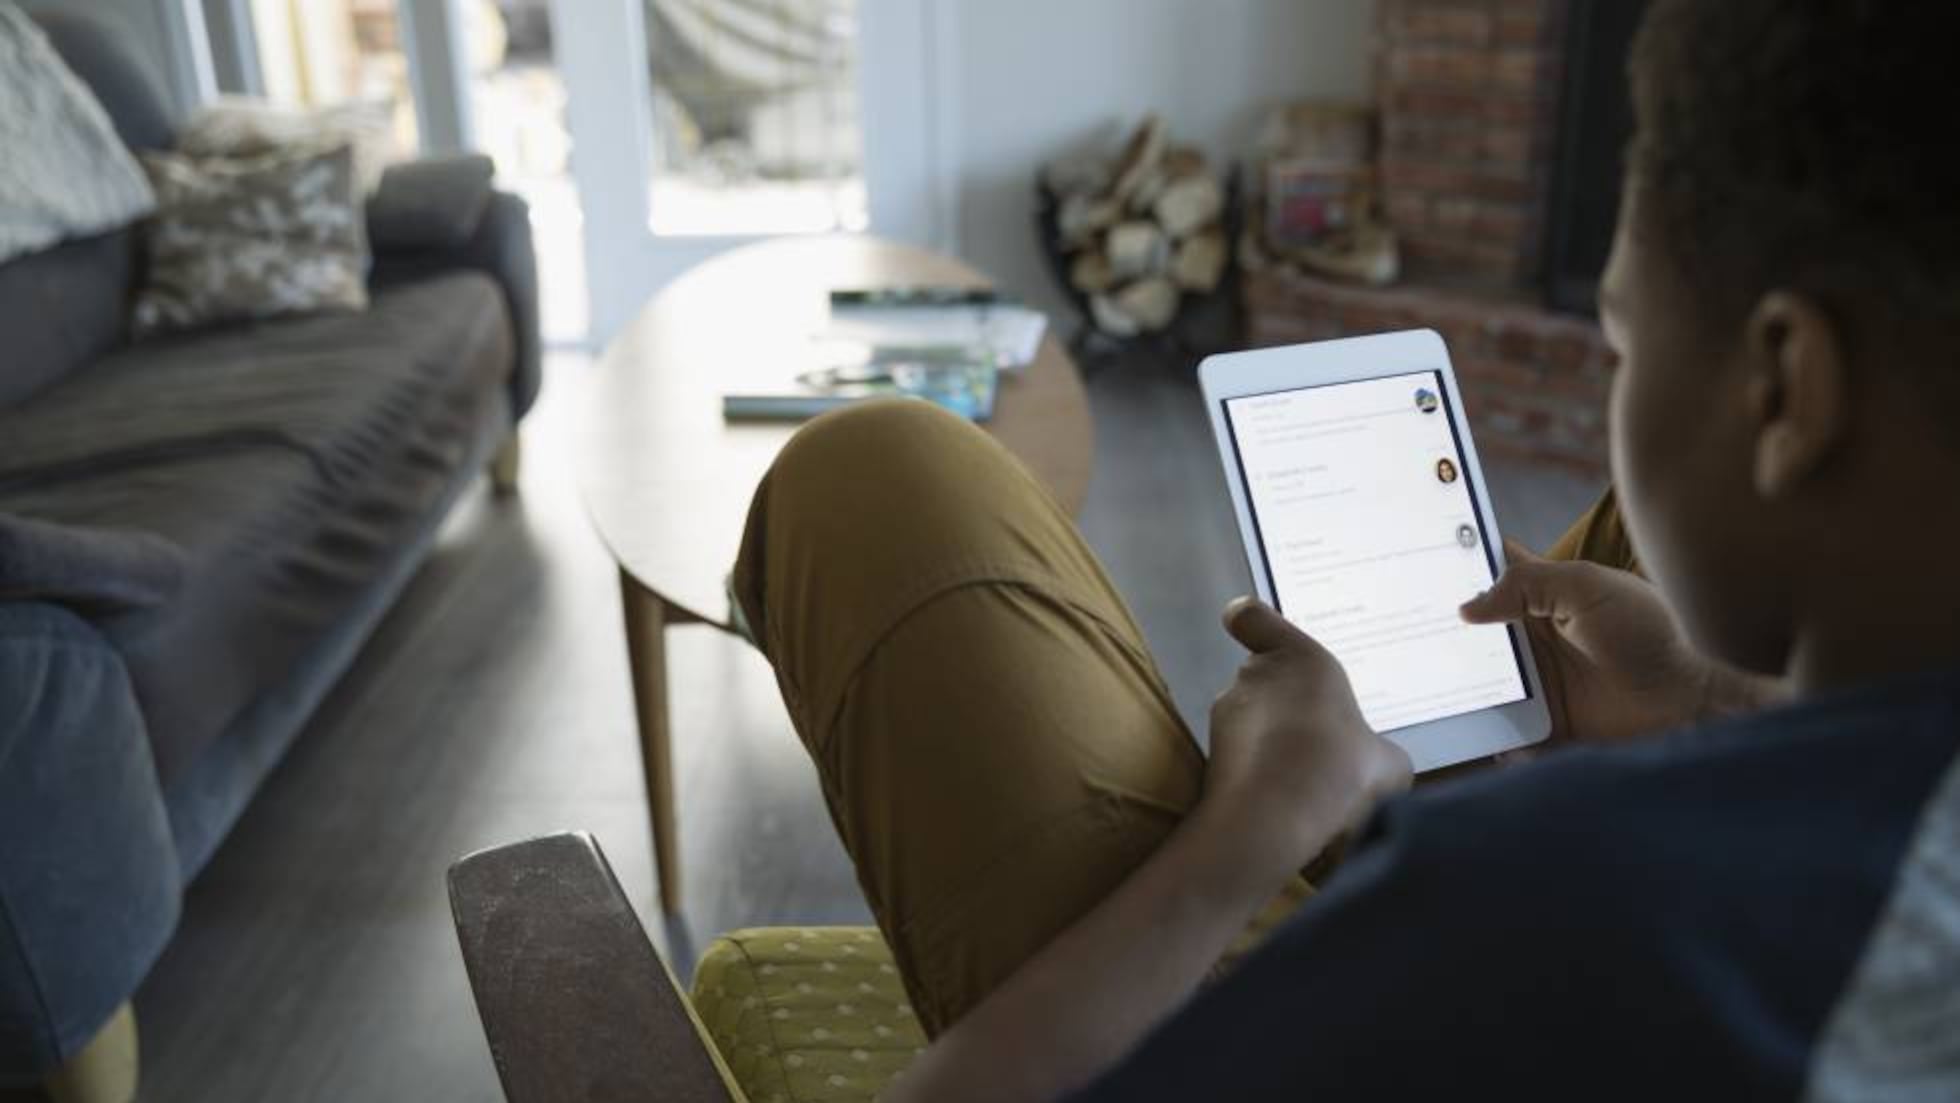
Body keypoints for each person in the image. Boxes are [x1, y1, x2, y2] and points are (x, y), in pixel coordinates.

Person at [731, 1, 1960, 1097]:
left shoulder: (1578, 887)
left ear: (1787, 387)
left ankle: (1323, 804)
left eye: (1625, 342)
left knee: (871, 470)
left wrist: (1249, 832)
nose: (1620, 383)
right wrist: (1705, 699)